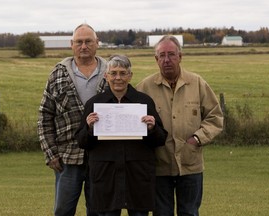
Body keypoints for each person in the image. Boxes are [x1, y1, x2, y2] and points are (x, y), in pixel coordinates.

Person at [136, 35, 224, 216]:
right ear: (156, 59)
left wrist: (197, 138)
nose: (167, 60)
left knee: (190, 212)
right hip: (159, 165)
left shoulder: (197, 83)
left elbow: (215, 117)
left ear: (180, 56)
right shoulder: (144, 88)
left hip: (191, 164)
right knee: (162, 213)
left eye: (171, 54)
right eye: (162, 55)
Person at [75, 54, 168, 216]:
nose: (118, 78)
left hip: (137, 175)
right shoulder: (95, 104)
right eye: (113, 73)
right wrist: (89, 128)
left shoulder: (144, 102)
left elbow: (160, 139)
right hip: (105, 175)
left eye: (123, 73)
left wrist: (152, 128)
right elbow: (82, 142)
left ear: (130, 75)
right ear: (106, 75)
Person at [37, 23, 107, 216]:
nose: (83, 46)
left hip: (101, 157)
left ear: (97, 43)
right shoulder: (58, 74)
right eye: (79, 42)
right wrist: (50, 153)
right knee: (63, 211)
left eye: (88, 41)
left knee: (99, 211)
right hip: (67, 157)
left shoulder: (111, 73)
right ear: (72, 44)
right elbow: (44, 116)